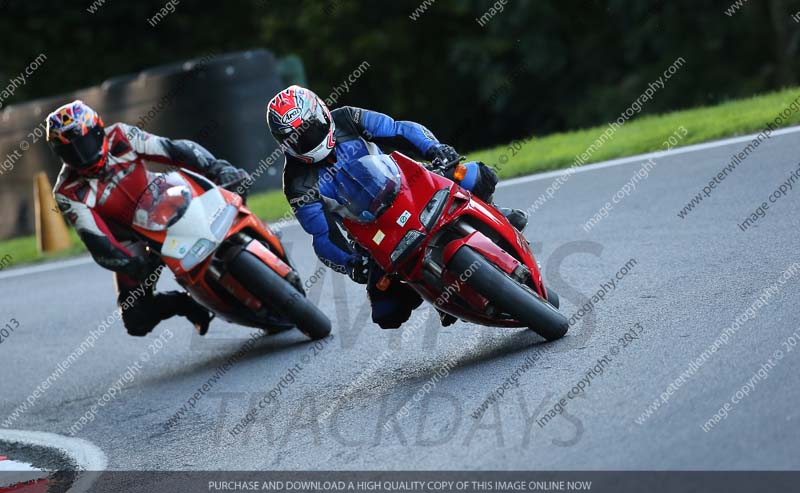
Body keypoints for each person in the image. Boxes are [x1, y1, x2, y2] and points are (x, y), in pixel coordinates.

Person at [266, 85, 527, 329]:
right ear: (284, 144)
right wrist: (352, 263)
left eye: (312, 129)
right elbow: (322, 236)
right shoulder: (296, 184)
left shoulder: (347, 118)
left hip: (409, 187)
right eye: (298, 138)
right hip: (373, 235)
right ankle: (433, 290)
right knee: (388, 313)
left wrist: (435, 149)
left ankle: (493, 213)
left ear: (323, 113)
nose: (309, 140)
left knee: (477, 175)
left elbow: (397, 129)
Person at [47, 100, 249, 337]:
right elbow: (96, 239)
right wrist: (130, 265)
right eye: (71, 151)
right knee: (135, 319)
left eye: (85, 142)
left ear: (98, 130)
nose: (82, 155)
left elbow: (172, 149)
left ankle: (251, 236)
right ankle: (184, 303)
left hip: (166, 200)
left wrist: (216, 168)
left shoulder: (121, 136)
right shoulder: (67, 191)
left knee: (234, 183)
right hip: (134, 241)